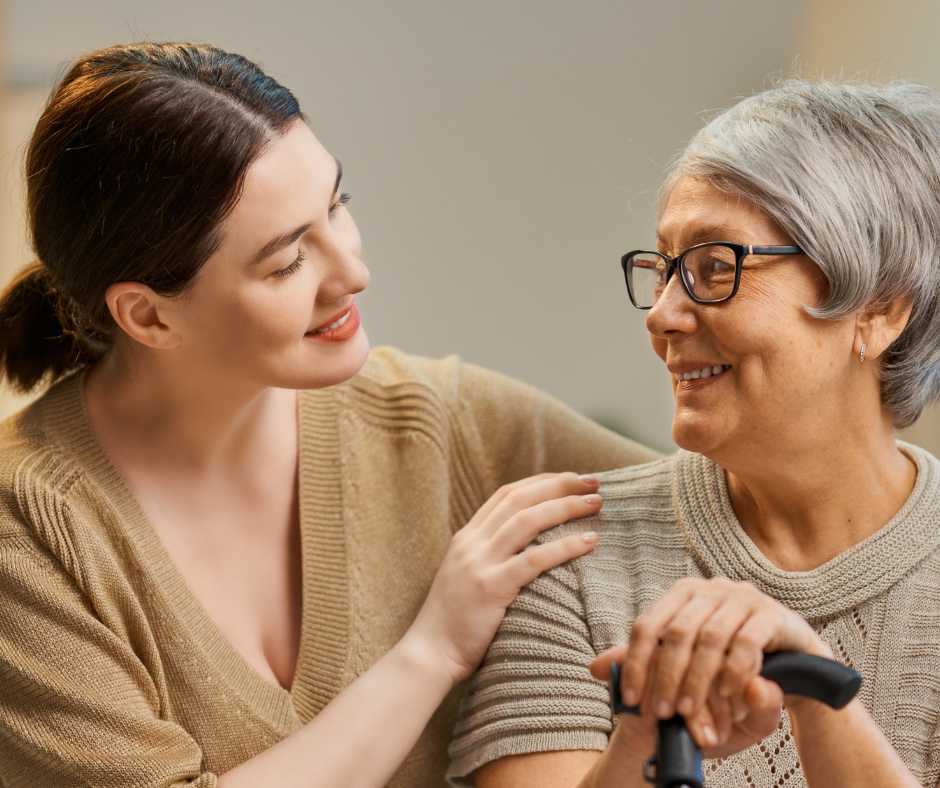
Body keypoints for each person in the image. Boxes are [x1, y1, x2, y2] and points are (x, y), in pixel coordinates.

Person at [0, 42, 658, 788]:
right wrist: (431, 650)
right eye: (286, 262)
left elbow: (745, 510)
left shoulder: (434, 421)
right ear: (148, 316)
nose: (352, 271)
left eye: (338, 206)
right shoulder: (27, 535)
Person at [448, 78, 940, 788]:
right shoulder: (568, 561)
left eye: (715, 268)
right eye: (664, 269)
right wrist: (642, 737)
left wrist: (818, 694)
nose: (662, 315)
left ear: (880, 309)